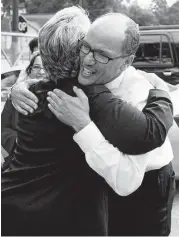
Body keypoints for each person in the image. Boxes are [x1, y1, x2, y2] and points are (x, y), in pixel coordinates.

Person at [4, 8, 176, 236]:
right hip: (89, 194)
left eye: (102, 55)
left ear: (126, 62)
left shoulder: (135, 91)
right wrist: (18, 87)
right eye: (85, 47)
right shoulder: (59, 90)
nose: (89, 58)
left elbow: (146, 137)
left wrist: (160, 92)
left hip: (146, 186)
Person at [1, 52, 45, 165]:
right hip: (16, 158)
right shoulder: (15, 96)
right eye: (36, 67)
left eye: (45, 67)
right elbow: (3, 127)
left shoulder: (56, 98)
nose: (41, 72)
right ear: (29, 70)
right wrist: (19, 140)